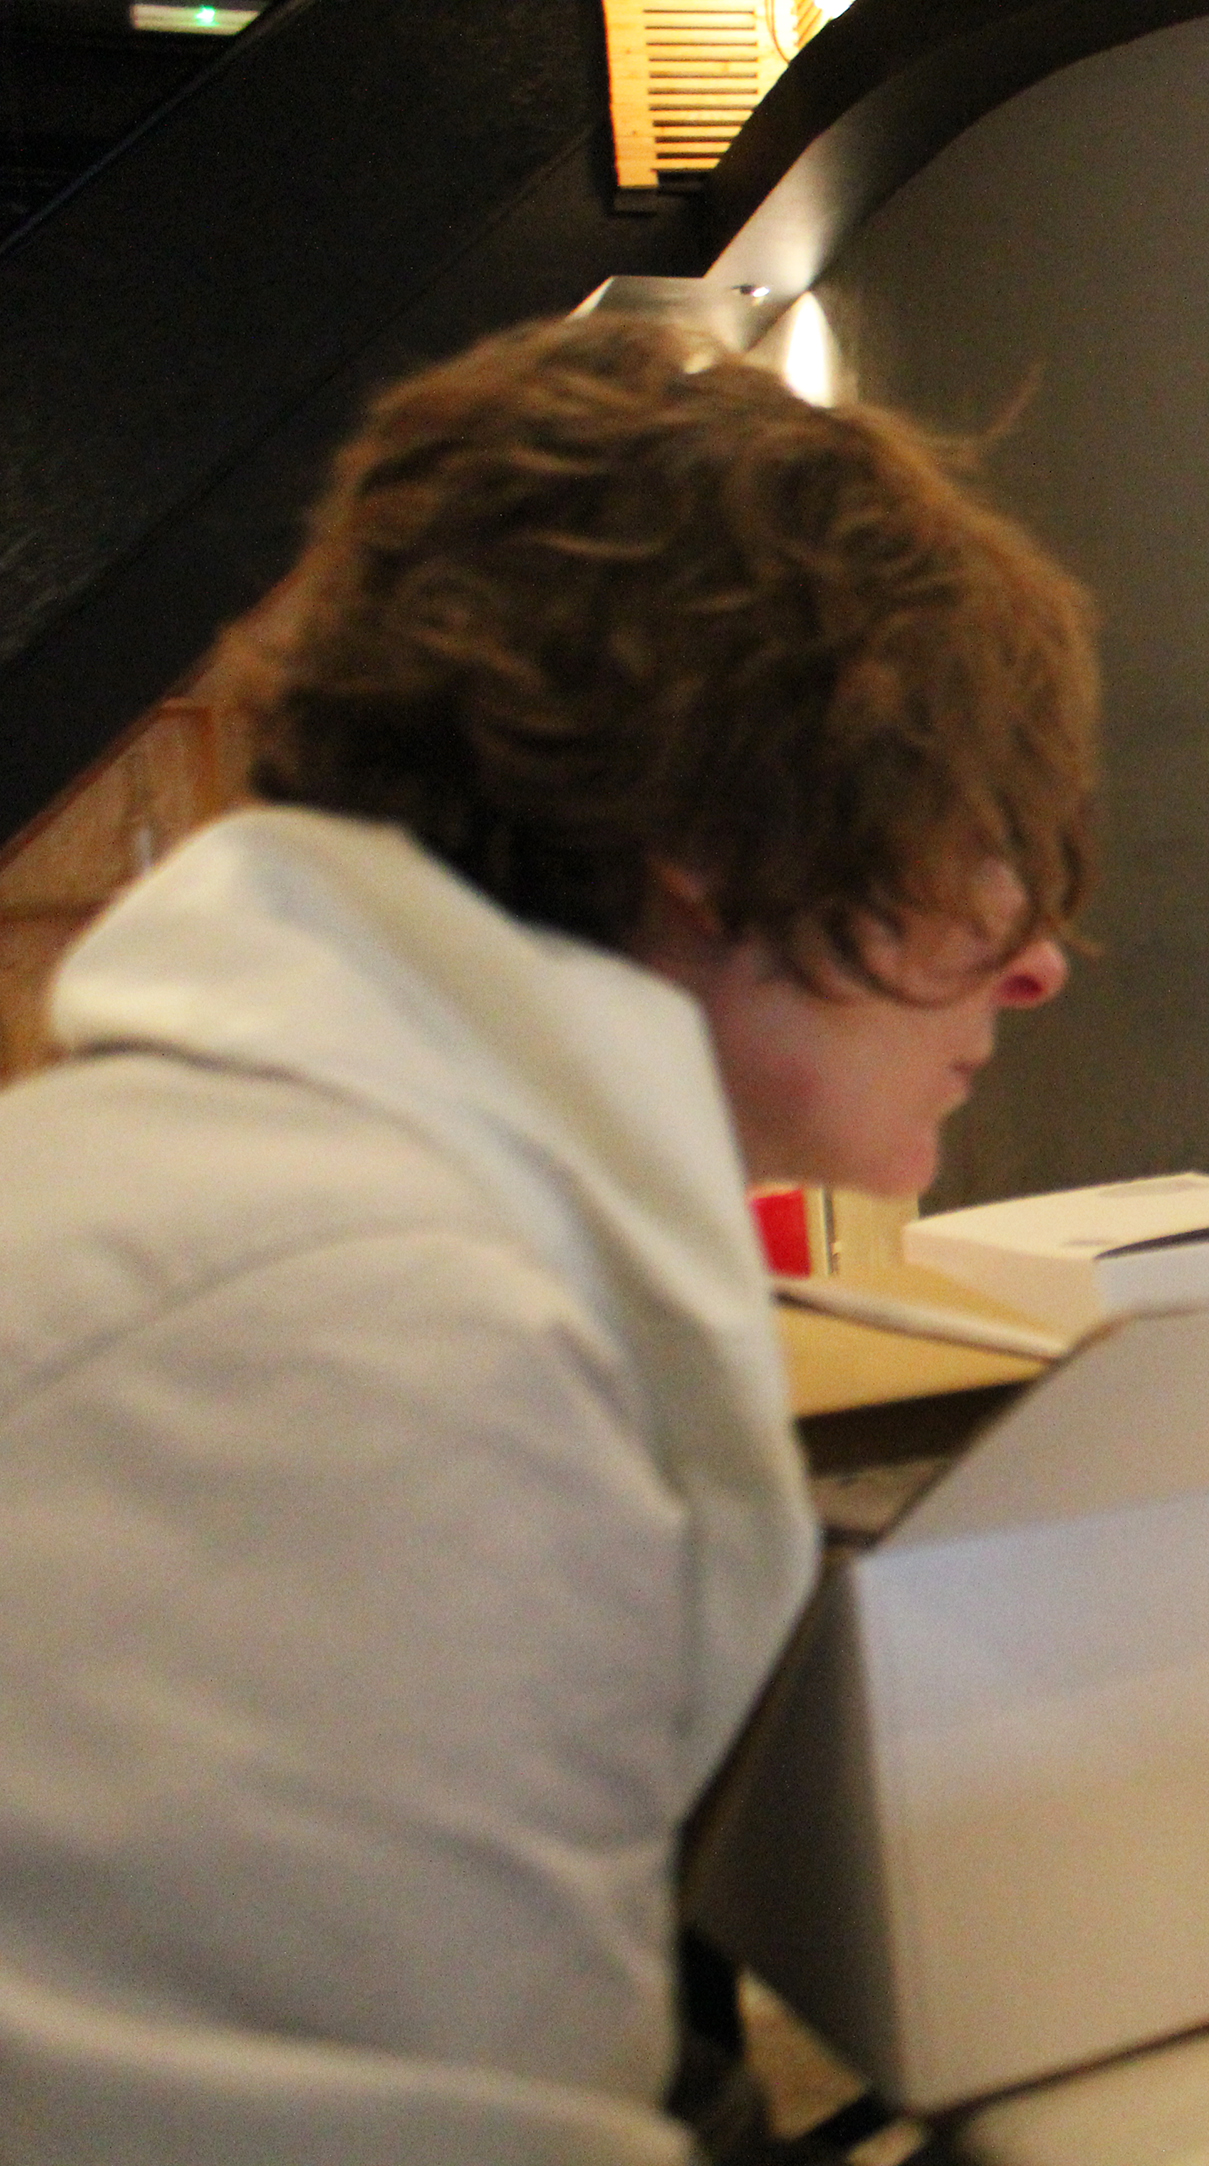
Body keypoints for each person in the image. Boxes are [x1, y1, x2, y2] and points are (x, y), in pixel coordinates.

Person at [0, 315, 1097, 2162]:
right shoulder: (373, 1341)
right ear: (715, 832)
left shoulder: (308, 1198)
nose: (1039, 958)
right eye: (981, 837)